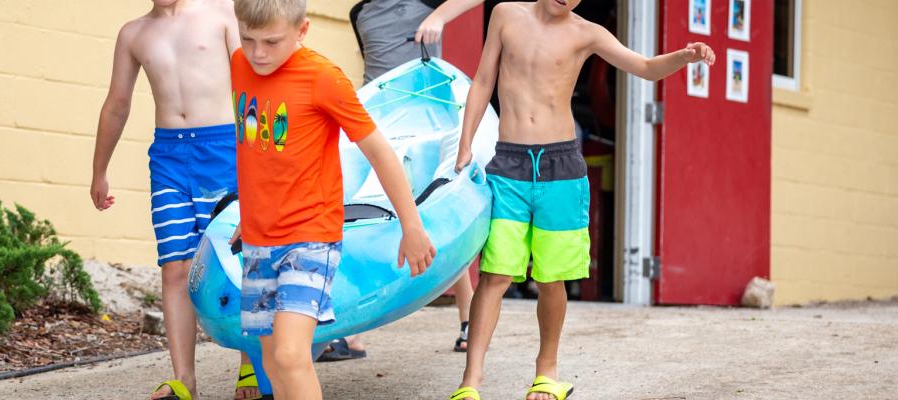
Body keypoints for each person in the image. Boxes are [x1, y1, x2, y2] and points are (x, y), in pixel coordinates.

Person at [446, 1, 714, 399]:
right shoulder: (505, 14)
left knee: (551, 277)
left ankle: (546, 374)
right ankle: (470, 383)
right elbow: (483, 81)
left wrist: (683, 57)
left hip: (562, 168)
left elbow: (642, 66)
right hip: (510, 165)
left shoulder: (587, 32)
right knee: (495, 275)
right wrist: (465, 144)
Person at [229, 0, 438, 398]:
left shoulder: (322, 77)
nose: (258, 53)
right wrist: (249, 210)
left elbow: (379, 151)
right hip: (259, 235)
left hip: (310, 235)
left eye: (271, 42)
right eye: (247, 39)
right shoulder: (240, 65)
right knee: (271, 361)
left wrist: (411, 225)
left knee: (291, 355)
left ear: (302, 31)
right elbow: (258, 149)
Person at [88, 1, 261, 398]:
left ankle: (250, 363)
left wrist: (259, 161)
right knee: (175, 268)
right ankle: (185, 379)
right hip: (169, 160)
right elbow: (117, 104)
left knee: (240, 259)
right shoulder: (133, 33)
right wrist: (99, 170)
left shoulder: (220, 14)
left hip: (225, 152)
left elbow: (251, 88)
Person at [322, 0, 476, 361]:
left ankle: (468, 319)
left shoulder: (426, 2)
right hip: (375, 127)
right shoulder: (359, 13)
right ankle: (354, 334)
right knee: (361, 217)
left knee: (436, 217)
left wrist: (438, 16)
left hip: (425, 127)